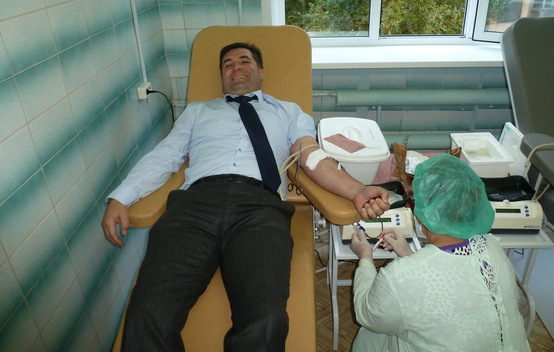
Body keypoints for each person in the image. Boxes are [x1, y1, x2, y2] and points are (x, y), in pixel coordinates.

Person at [101, 42, 390, 352]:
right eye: (227, 64)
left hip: (259, 207)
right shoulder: (198, 110)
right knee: (147, 315)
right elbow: (167, 155)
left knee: (265, 322)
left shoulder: (289, 111)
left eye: (244, 61)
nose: (235, 66)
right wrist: (122, 197)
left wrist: (356, 190)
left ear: (261, 72)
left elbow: (310, 155)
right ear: (222, 76)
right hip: (194, 206)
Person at [349, 153, 531, 352]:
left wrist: (365, 259)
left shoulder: (398, 277)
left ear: (421, 214)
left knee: (370, 337)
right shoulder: (492, 246)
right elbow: (447, 281)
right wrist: (408, 254)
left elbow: (368, 315)